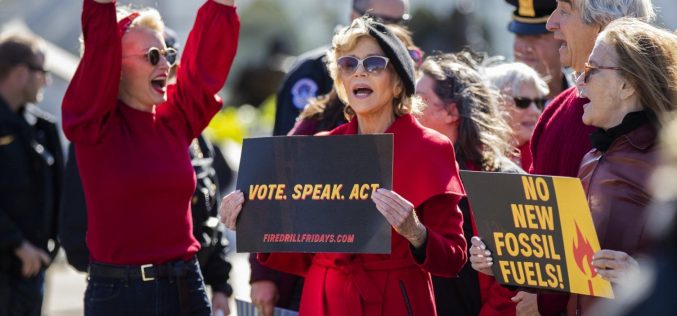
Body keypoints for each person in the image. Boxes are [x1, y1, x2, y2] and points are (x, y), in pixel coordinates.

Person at [222, 17, 467, 316]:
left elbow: (454, 258)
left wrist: (416, 233)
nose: (359, 71)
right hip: (325, 299)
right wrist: (252, 222)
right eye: (348, 64)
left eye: (374, 63)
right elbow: (299, 255)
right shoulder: (322, 145)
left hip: (397, 300)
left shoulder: (432, 148)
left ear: (399, 82)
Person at [471, 16, 676, 316]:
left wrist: (639, 276)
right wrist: (501, 260)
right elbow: (564, 267)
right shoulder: (591, 158)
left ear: (626, 85)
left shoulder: (665, 166)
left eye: (592, 71)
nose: (578, 81)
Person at [61, 0, 239, 315]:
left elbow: (206, 64)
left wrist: (223, 5)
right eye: (152, 56)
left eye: (167, 55)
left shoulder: (176, 118)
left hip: (186, 285)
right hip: (120, 296)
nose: (165, 65)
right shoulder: (94, 128)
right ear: (115, 66)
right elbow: (98, 48)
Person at [416, 53, 527, 316]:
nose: (408, 109)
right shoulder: (413, 169)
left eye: (420, 100)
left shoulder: (501, 178)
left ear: (452, 111)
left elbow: (512, 280)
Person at [272, 0, 410, 136]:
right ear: (354, 17)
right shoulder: (310, 71)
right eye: (381, 21)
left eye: (400, 22)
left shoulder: (413, 69)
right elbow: (284, 151)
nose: (392, 30)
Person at [0, 34, 63, 316]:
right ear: (21, 73)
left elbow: (61, 193)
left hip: (32, 271)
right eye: (42, 72)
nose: (46, 81)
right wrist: (16, 243)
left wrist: (50, 248)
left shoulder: (41, 129)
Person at [483, 62, 549, 169]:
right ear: (494, 103)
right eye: (522, 102)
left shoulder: (545, 155)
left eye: (538, 102)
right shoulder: (474, 156)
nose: (535, 111)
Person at [505, 0, 567, 101]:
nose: (526, 48)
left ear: (564, 40)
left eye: (537, 37)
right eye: (520, 35)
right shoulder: (497, 103)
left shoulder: (587, 99)